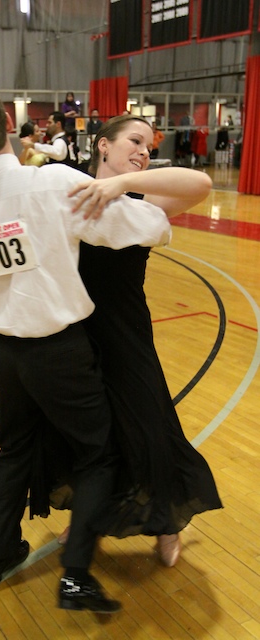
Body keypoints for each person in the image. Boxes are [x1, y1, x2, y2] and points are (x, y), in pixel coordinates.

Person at [0, 82, 172, 613]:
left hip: (5, 355)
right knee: (96, 455)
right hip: (61, 350)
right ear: (10, 124)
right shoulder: (53, 181)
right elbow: (149, 226)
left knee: (13, 452)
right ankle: (76, 572)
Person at [56, 115, 222, 566]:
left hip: (127, 334)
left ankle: (167, 522)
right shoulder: (67, 187)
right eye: (134, 140)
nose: (144, 150)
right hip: (75, 333)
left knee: (149, 426)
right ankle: (88, 516)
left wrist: (124, 181)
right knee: (89, 435)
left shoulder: (144, 196)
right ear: (102, 145)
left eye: (149, 146)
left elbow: (201, 183)